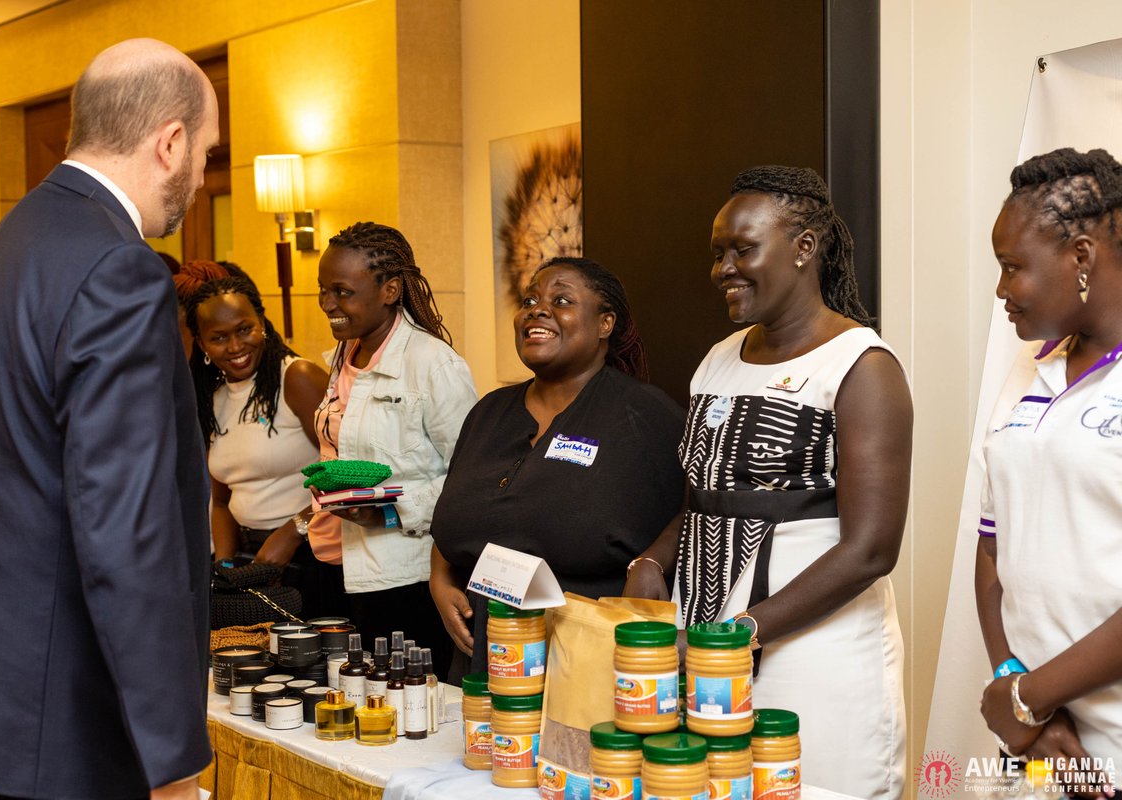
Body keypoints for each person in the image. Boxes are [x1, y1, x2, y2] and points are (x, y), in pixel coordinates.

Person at [0, 39, 219, 800]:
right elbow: (126, 523)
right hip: (80, 714)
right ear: (169, 141)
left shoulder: (11, 240)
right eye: (205, 153)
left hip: (6, 689)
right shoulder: (116, 266)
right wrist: (170, 758)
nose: (199, 179)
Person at [624, 166, 911, 799]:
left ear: (804, 248)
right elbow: (708, 497)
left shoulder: (862, 366)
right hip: (706, 638)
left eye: (742, 250)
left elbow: (872, 548)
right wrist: (653, 559)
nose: (723, 268)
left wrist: (745, 632)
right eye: (717, 253)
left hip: (811, 649)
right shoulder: (720, 357)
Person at [430, 257, 684, 678]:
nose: (537, 309)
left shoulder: (644, 415)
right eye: (529, 299)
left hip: (586, 662)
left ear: (605, 324)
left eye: (561, 300)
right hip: (484, 652)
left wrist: (651, 562)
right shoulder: (488, 413)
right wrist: (440, 581)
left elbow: (698, 509)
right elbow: (459, 513)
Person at [976, 147, 1122, 793]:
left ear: (1082, 256)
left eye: (1013, 268)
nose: (1003, 290)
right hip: (1045, 734)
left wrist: (1026, 697)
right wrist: (1020, 691)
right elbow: (992, 551)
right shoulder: (1028, 369)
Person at [312, 221, 477, 678]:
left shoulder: (433, 365)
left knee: (401, 706)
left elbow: (469, 478)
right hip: (331, 563)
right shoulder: (341, 358)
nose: (328, 304)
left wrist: (387, 512)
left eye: (342, 291)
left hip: (403, 576)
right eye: (323, 290)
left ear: (390, 290)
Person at [185, 273, 338, 619]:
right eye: (219, 338)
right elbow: (221, 498)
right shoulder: (212, 397)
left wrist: (295, 530)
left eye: (244, 329)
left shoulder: (296, 377)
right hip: (253, 559)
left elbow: (347, 470)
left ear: (262, 323)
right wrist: (225, 563)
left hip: (309, 553)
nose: (236, 347)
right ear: (202, 344)